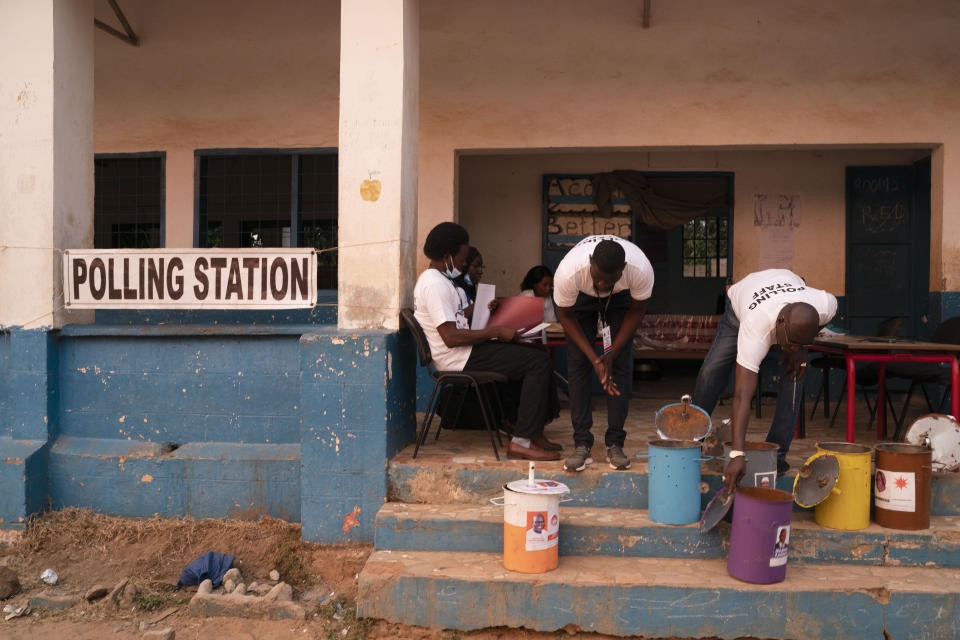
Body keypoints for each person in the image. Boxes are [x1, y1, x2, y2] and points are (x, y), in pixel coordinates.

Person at [413, 222, 562, 461]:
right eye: (462, 260)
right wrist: (496, 331)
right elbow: (450, 337)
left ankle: (531, 433)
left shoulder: (443, 280)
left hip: (466, 352)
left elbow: (457, 319)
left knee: (530, 354)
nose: (464, 265)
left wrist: (484, 308)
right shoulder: (434, 284)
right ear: (447, 257)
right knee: (538, 362)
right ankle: (522, 442)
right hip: (458, 358)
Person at [691, 268, 838, 493]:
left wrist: (798, 350)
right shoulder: (756, 325)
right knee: (712, 371)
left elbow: (816, 325)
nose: (793, 348)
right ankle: (693, 439)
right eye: (790, 343)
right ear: (779, 324)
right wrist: (737, 454)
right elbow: (742, 395)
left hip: (787, 291)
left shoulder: (825, 304)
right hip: (741, 305)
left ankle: (777, 454)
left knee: (796, 375)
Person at [553, 235, 654, 472]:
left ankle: (615, 443)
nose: (601, 285)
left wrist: (611, 353)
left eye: (608, 281)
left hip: (620, 299)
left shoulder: (639, 270)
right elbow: (565, 315)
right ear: (590, 262)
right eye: (597, 278)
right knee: (578, 363)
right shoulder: (570, 272)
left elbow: (638, 310)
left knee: (619, 363)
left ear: (622, 271)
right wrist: (594, 358)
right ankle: (581, 443)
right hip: (580, 298)